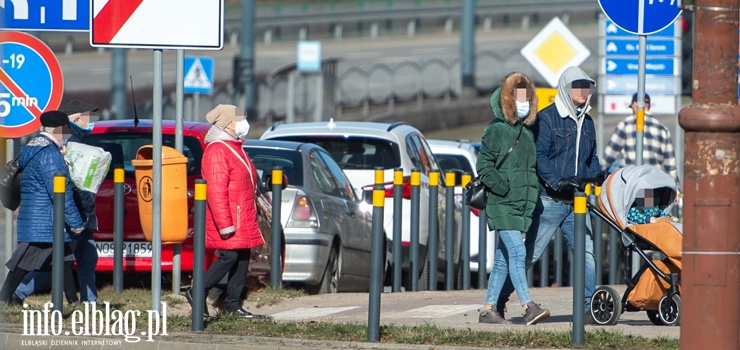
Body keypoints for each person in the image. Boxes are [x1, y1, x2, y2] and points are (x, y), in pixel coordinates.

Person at [495, 66, 603, 322]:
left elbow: (592, 156)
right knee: (530, 255)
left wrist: (597, 173)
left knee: (587, 254)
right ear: (566, 89)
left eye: (586, 87)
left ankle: (589, 309)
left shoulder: (587, 122)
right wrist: (558, 181)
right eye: (578, 87)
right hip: (549, 201)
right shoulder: (546, 119)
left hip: (577, 203)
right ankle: (498, 300)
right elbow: (539, 157)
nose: (583, 93)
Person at [477, 72, 550, 325]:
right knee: (518, 254)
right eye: (519, 97)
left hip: (521, 207)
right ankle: (528, 306)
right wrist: (504, 187)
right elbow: (484, 166)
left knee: (502, 260)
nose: (525, 103)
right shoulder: (496, 130)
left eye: (528, 98)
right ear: (508, 99)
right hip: (503, 204)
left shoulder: (527, 134)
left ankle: (488, 309)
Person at [12, 101, 101, 304]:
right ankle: (15, 295)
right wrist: (78, 217)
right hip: (66, 214)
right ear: (74, 118)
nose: (91, 122)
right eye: (87, 117)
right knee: (51, 262)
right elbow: (66, 187)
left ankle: (86, 303)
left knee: (79, 259)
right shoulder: (62, 144)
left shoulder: (78, 139)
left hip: (77, 213)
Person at [184, 104, 266, 319]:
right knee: (229, 256)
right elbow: (216, 190)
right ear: (229, 123)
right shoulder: (218, 150)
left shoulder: (234, 147)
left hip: (242, 215)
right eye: (241, 118)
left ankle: (233, 304)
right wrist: (225, 224)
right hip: (230, 216)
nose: (244, 123)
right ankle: (198, 291)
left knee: (242, 257)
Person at [0, 111, 85, 305]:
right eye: (65, 131)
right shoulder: (49, 154)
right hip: (45, 221)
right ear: (57, 130)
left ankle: (73, 302)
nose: (67, 135)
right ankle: (4, 299)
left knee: (63, 260)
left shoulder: (33, 148)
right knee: (22, 263)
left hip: (37, 217)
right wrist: (75, 222)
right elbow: (61, 193)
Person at [602, 93, 679, 184]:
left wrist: (599, 174)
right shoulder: (662, 129)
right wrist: (676, 187)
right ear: (649, 106)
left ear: (634, 104)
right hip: (654, 183)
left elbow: (609, 156)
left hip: (630, 182)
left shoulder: (625, 125)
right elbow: (670, 164)